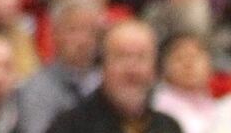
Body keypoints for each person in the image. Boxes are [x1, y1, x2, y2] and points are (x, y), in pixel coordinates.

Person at [47, 20, 183, 133]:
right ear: (102, 65)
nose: (132, 69)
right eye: (121, 56)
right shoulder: (71, 126)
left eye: (141, 57)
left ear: (155, 68)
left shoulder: (168, 127)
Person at [17, 0, 104, 133]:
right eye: (74, 30)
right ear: (54, 34)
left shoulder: (106, 82)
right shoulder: (37, 88)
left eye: (92, 31)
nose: (84, 40)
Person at [150, 34, 215, 133]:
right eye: (179, 58)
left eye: (195, 57)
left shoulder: (220, 102)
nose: (188, 64)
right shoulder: (158, 107)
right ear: (164, 67)